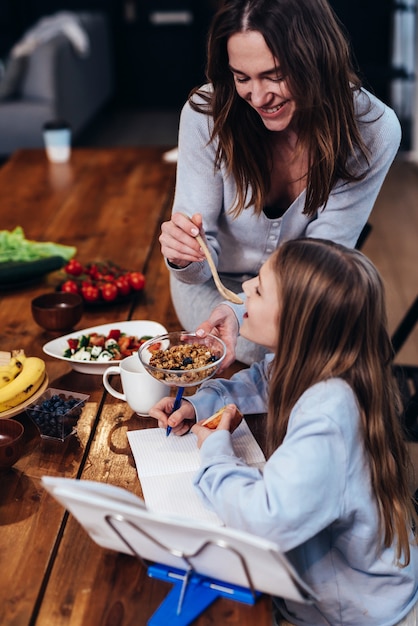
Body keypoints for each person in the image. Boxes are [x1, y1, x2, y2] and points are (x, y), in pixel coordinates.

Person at [149, 238, 418, 626]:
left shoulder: (330, 415)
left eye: (258, 289)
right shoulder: (320, 364)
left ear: (297, 321)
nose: (243, 290)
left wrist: (216, 451)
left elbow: (266, 520)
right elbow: (263, 380)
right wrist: (201, 404)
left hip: (352, 616)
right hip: (328, 595)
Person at [159, 0, 402, 367]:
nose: (258, 97)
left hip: (300, 295)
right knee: (288, 352)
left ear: (317, 58)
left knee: (293, 348)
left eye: (274, 75)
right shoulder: (205, 114)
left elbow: (317, 269)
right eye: (242, 78)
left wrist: (249, 319)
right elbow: (195, 273)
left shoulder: (374, 130)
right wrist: (181, 256)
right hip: (212, 288)